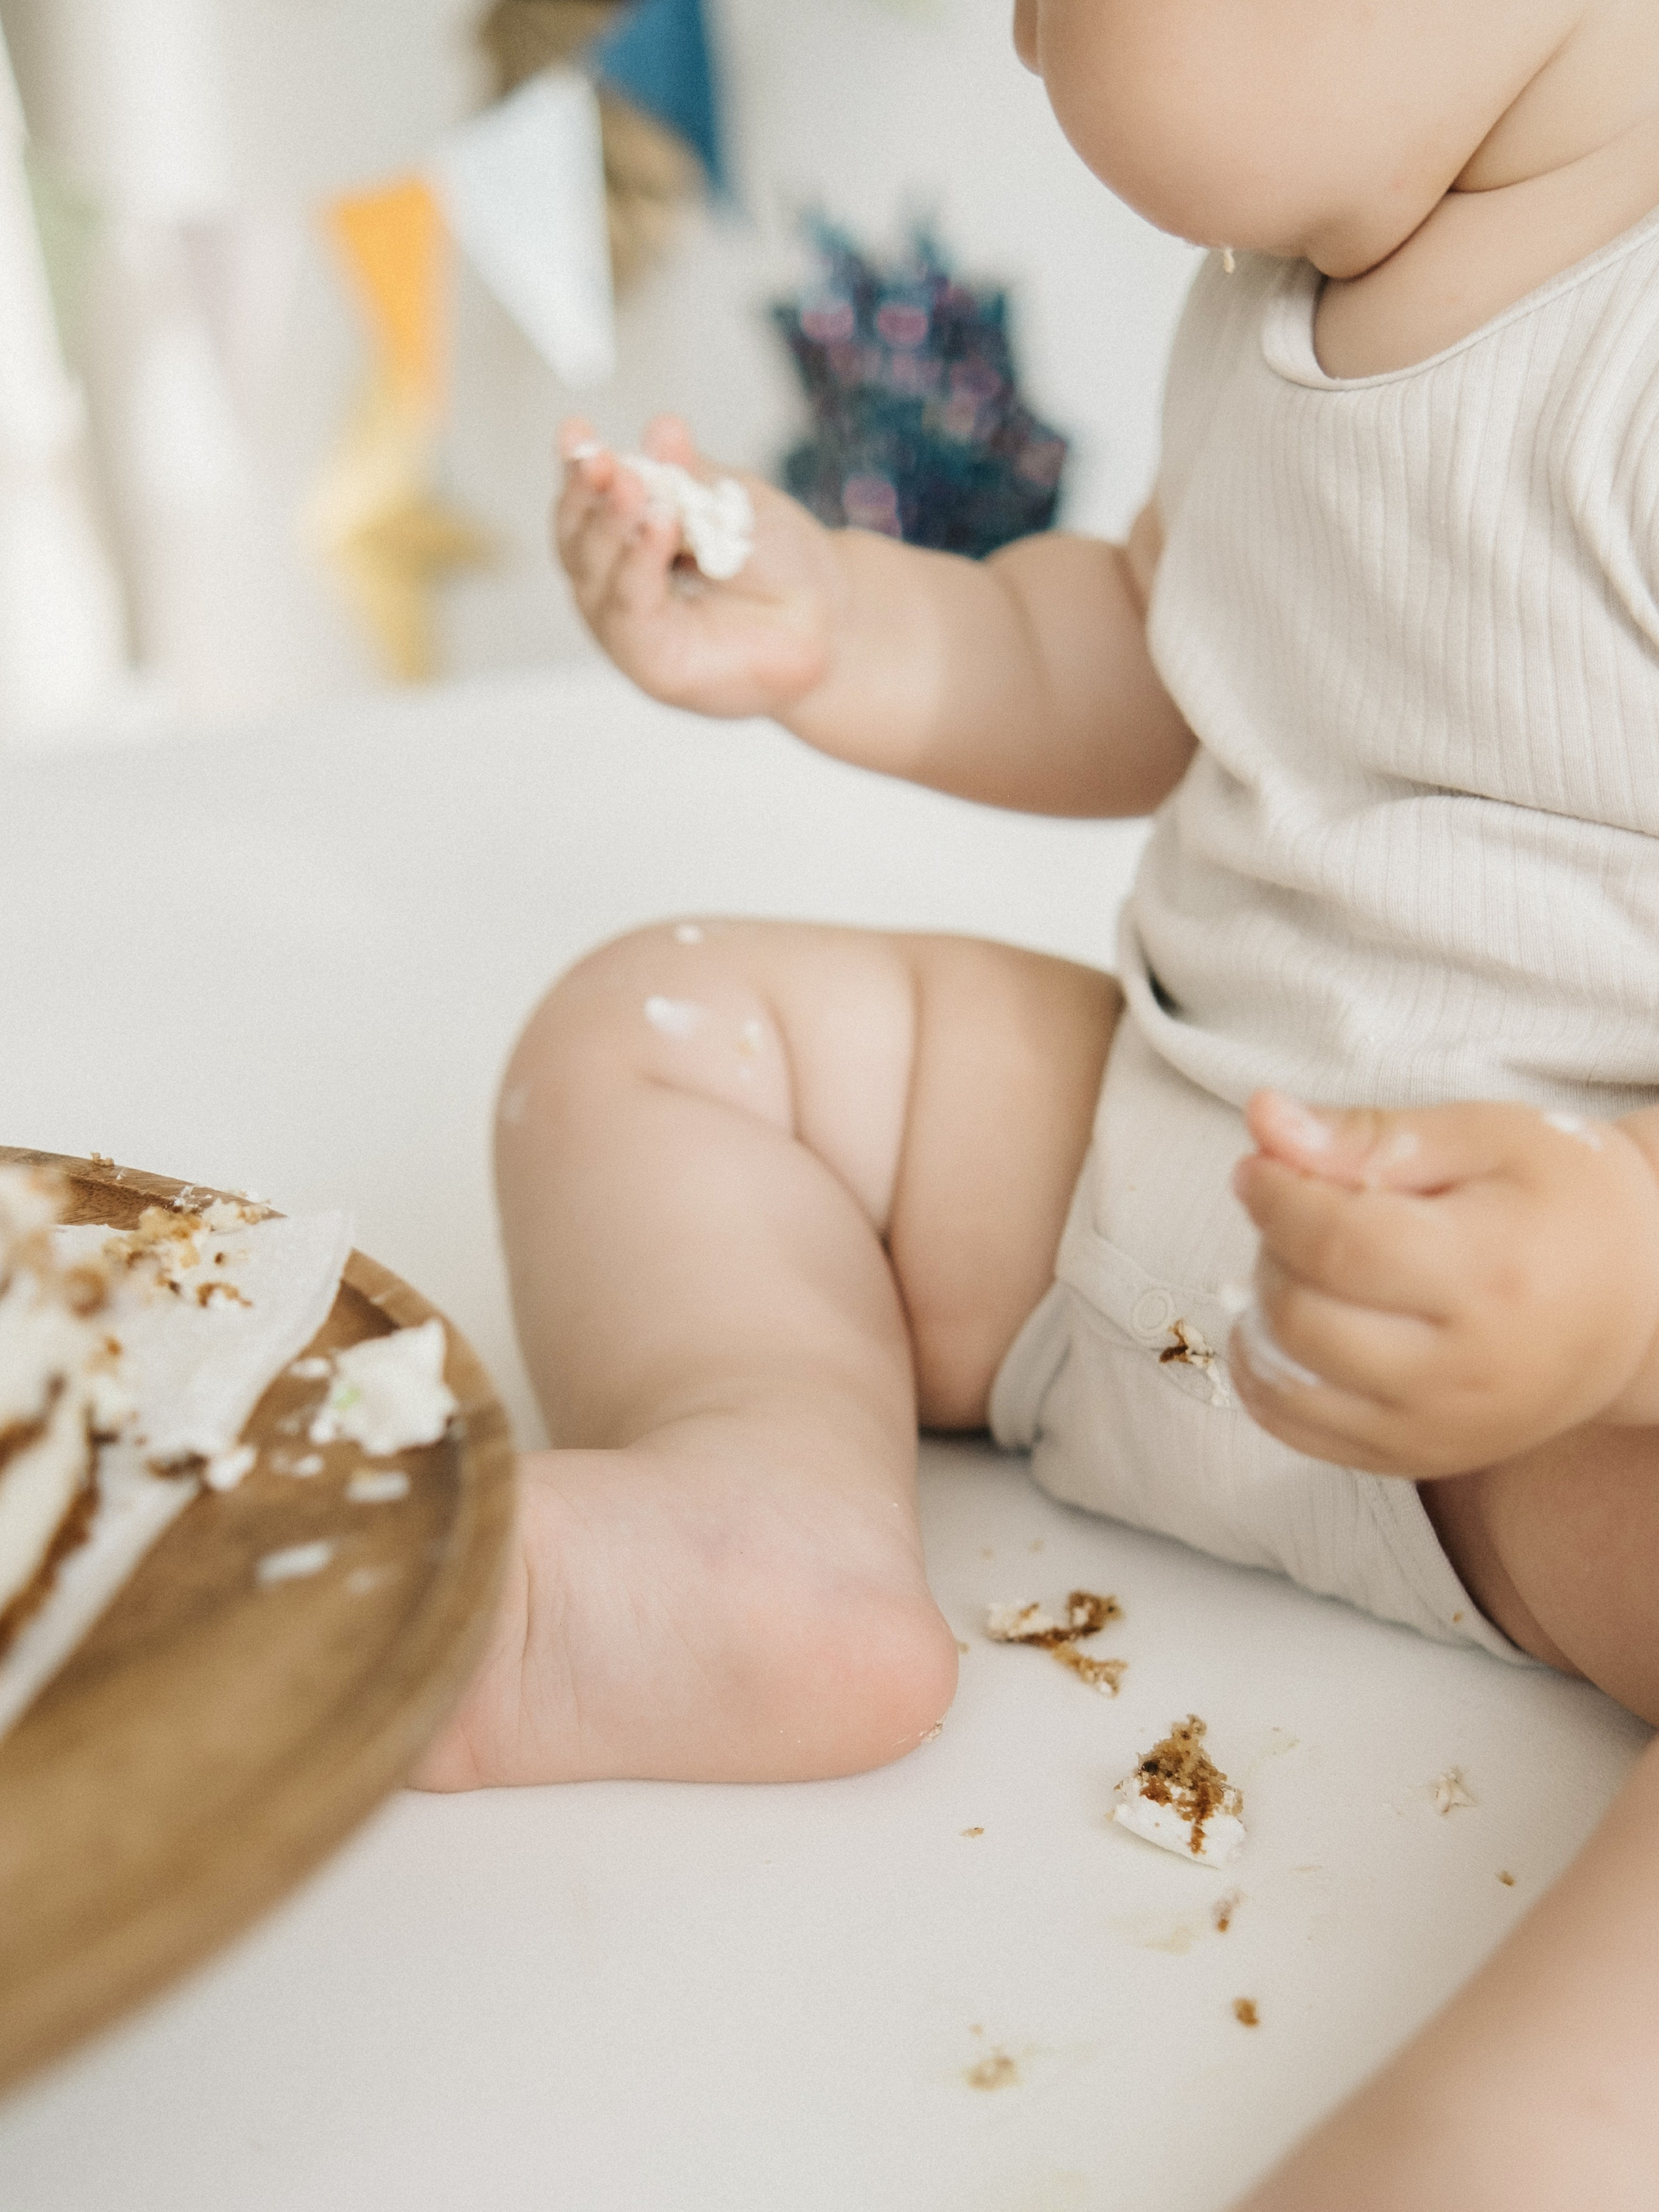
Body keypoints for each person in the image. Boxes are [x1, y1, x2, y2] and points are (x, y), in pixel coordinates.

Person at [418, 3, 1659, 2198]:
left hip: (1563, 1414)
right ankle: (754, 1523)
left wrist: (1619, 1280)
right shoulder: (1286, 300)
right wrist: (843, 627)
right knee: (664, 1030)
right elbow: (1137, 649)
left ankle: (1495, 2148)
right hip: (1163, 1200)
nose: (1011, 28)